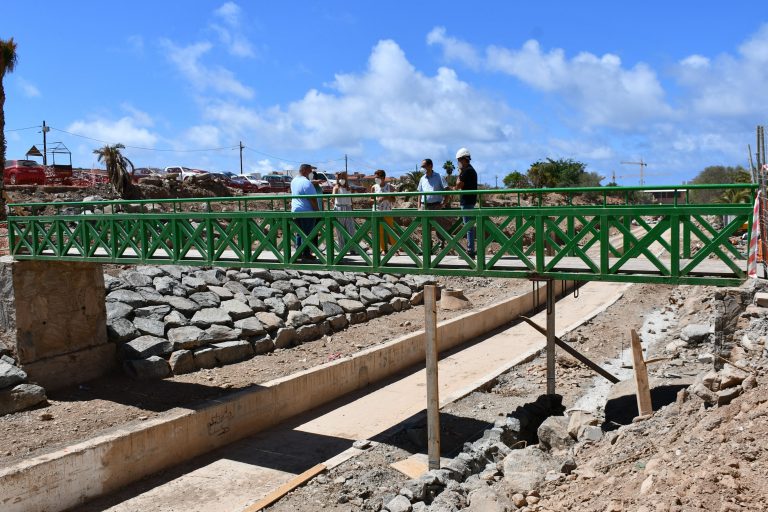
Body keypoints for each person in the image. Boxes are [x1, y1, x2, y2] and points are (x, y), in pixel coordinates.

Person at [290, 164, 319, 260]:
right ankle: (306, 254)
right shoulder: (306, 182)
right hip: (306, 211)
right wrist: (317, 211)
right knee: (307, 234)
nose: (311, 173)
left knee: (299, 233)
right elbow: (313, 199)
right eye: (310, 171)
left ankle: (299, 253)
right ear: (305, 170)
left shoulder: (294, 181)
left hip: (295, 210)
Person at [455, 147, 478, 258]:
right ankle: (471, 249)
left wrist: (459, 174)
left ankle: (470, 251)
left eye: (459, 160)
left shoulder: (466, 171)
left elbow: (458, 185)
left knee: (468, 227)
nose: (458, 162)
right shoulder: (472, 170)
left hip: (466, 201)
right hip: (471, 201)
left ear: (464, 159)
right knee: (469, 226)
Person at [371, 169, 399, 256]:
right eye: (375, 177)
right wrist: (376, 199)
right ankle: (383, 249)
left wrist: (386, 197)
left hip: (387, 211)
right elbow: (371, 199)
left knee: (390, 230)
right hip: (377, 211)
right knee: (380, 232)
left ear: (383, 177)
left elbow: (394, 199)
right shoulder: (374, 187)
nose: (376, 179)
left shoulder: (390, 187)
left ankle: (395, 249)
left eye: (377, 177)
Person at [332, 171, 356, 254]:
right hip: (339, 207)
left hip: (348, 207)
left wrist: (352, 209)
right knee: (340, 230)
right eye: (340, 178)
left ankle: (352, 248)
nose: (342, 180)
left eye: (343, 178)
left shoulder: (348, 188)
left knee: (351, 229)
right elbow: (332, 198)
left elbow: (351, 199)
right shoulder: (336, 188)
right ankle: (342, 249)